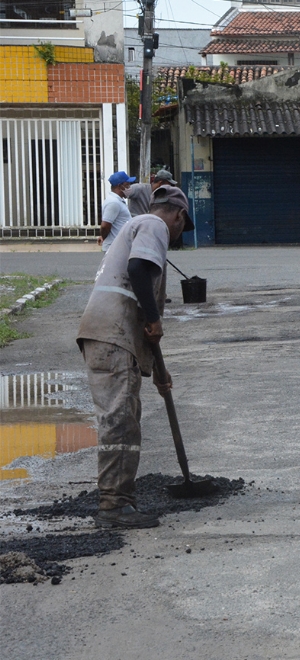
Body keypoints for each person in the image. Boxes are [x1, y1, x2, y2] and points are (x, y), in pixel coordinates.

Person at [77, 186, 190, 529]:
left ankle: (118, 500)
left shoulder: (135, 227)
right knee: (121, 419)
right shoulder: (154, 225)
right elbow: (140, 271)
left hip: (105, 333)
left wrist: (158, 371)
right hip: (114, 335)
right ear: (178, 215)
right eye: (183, 225)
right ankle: (114, 506)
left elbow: (141, 306)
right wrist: (155, 320)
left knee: (123, 415)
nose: (180, 232)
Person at [99, 171, 135, 252]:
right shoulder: (113, 202)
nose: (129, 187)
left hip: (120, 246)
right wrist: (104, 237)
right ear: (120, 186)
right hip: (115, 248)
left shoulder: (117, 201)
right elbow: (105, 226)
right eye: (127, 185)